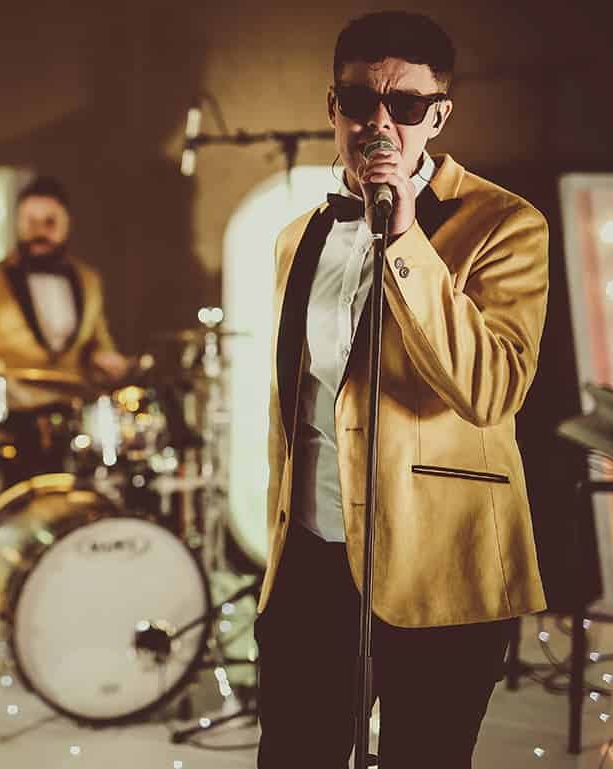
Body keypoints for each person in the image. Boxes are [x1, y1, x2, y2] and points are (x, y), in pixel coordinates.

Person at [256, 11, 548, 768]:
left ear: (438, 116)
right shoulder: (298, 237)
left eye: (407, 105)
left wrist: (407, 243)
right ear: (333, 107)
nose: (380, 123)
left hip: (442, 558)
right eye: (359, 101)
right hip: (313, 560)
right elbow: (299, 409)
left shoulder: (507, 225)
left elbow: (491, 388)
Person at [0, 176, 128, 480]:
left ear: (66, 224)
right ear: (17, 223)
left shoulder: (88, 280)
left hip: (68, 421)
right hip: (9, 421)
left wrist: (105, 360)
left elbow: (97, 341)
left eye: (49, 222)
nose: (39, 232)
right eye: (30, 222)